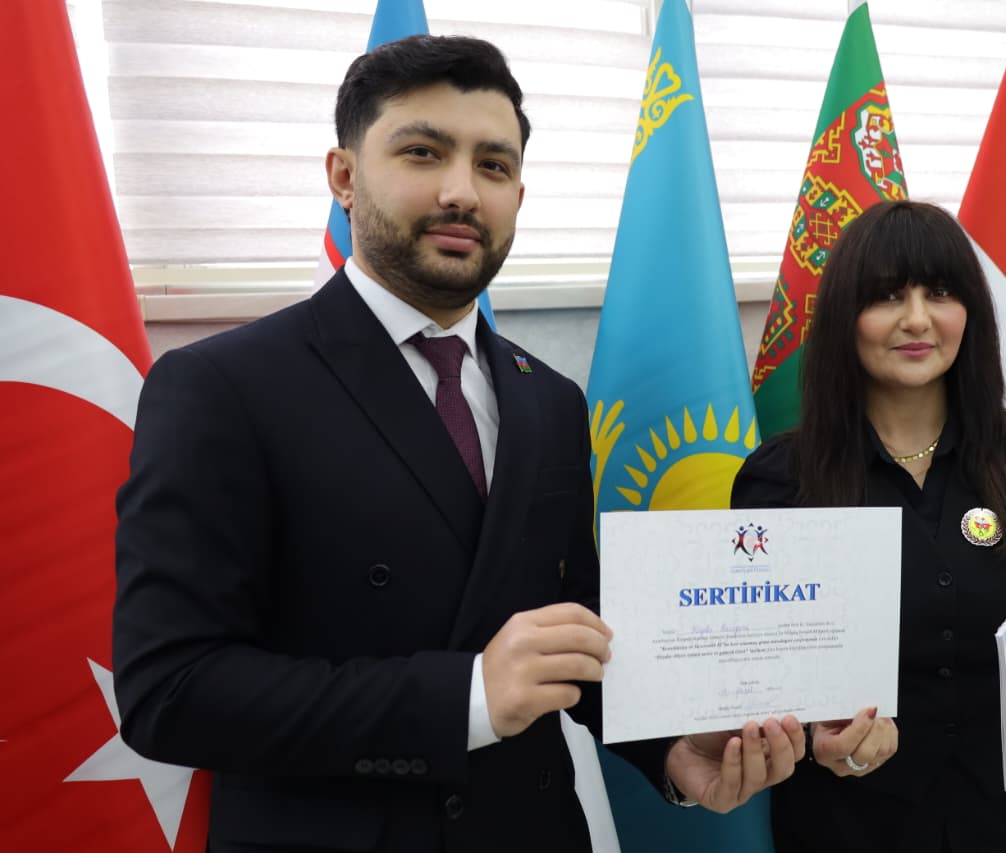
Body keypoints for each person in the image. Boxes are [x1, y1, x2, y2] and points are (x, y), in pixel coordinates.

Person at [113, 34, 804, 853]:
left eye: (493, 165)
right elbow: (170, 690)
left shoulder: (552, 401)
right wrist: (466, 697)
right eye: (422, 152)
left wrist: (673, 750)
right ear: (343, 176)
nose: (461, 192)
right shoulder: (222, 386)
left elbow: (575, 634)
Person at [731, 200, 1006, 852]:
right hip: (854, 822)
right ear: (845, 318)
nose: (916, 319)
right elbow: (759, 668)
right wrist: (819, 738)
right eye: (886, 296)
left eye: (939, 293)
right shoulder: (781, 479)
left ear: (971, 311)